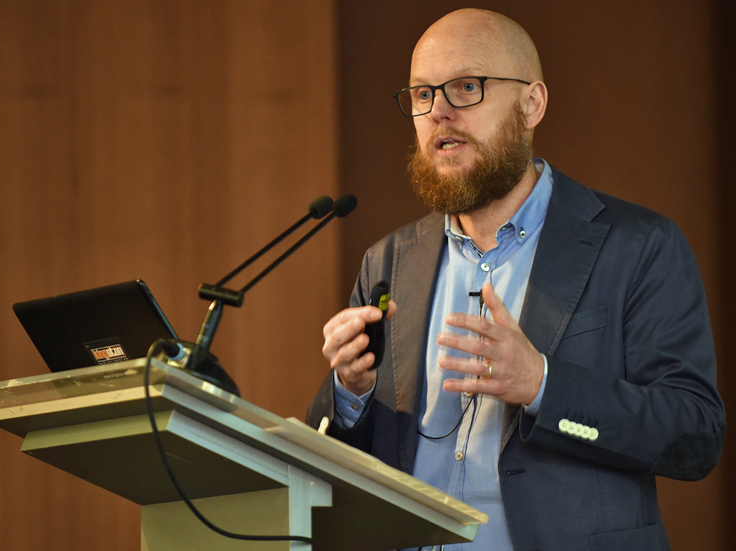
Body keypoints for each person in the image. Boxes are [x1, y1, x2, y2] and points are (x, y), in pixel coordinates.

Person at [306, 8, 726, 551]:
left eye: (465, 87)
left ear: (532, 104)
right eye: (422, 95)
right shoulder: (387, 262)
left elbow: (694, 436)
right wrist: (349, 394)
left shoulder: (637, 246)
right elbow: (338, 465)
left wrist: (543, 385)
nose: (439, 113)